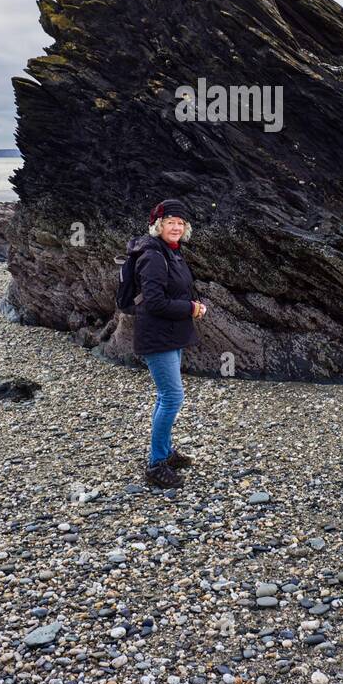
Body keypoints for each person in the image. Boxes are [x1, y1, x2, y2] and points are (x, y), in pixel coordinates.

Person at [134, 199, 207, 490]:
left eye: (181, 223)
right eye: (170, 222)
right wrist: (190, 308)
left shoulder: (172, 251)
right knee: (173, 397)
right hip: (157, 336)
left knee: (166, 397)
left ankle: (165, 453)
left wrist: (192, 305)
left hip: (171, 334)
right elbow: (154, 301)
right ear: (158, 225)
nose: (176, 227)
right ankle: (155, 465)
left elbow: (176, 290)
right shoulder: (153, 255)